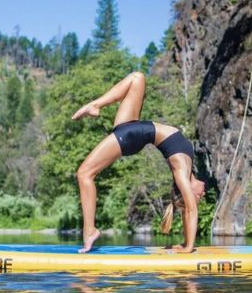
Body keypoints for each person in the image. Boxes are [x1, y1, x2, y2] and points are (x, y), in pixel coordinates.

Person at [71, 71, 205, 253]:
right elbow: (188, 208)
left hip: (134, 135)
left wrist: (188, 247)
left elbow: (189, 210)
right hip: (135, 128)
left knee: (84, 174)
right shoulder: (187, 166)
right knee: (137, 78)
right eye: (199, 198)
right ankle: (95, 105)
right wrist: (187, 245)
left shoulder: (181, 171)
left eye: (198, 198)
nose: (201, 196)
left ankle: (89, 231)